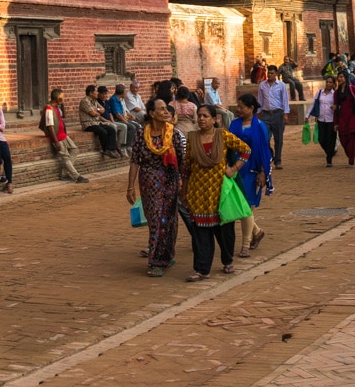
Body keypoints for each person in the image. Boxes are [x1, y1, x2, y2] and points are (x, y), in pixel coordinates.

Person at [180, 104, 251, 282]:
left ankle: (227, 261)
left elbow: (245, 150)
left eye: (205, 116)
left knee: (225, 231)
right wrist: (185, 191)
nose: (202, 119)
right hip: (198, 193)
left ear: (214, 119)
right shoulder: (192, 138)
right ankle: (202, 269)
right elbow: (187, 166)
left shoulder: (223, 135)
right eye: (200, 116)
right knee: (200, 234)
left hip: (220, 193)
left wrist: (234, 168)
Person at [126, 96, 186, 275]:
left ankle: (166, 256)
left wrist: (183, 181)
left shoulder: (173, 133)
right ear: (151, 113)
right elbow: (135, 161)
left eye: (166, 108)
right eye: (161, 109)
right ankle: (155, 261)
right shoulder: (141, 134)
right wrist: (130, 186)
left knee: (169, 220)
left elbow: (182, 161)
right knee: (156, 219)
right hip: (149, 182)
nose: (166, 111)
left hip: (170, 180)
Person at [228, 94, 272, 257]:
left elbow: (263, 151)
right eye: (237, 107)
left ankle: (245, 245)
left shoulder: (260, 126)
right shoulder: (234, 124)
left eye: (241, 107)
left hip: (252, 170)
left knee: (246, 207)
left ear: (251, 108)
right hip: (235, 170)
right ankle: (257, 231)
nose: (238, 110)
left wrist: (262, 172)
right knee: (238, 206)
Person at [41, 88, 90, 183]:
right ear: (57, 98)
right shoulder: (49, 108)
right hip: (56, 136)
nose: (63, 100)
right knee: (65, 157)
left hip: (63, 134)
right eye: (62, 98)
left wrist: (61, 104)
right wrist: (55, 141)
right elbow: (50, 126)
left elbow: (63, 116)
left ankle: (64, 173)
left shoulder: (56, 107)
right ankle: (77, 176)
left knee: (74, 149)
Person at [257, 66, 291, 168]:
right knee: (264, 137)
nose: (270, 75)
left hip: (278, 114)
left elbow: (285, 99)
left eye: (272, 73)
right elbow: (260, 99)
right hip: (266, 115)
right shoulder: (262, 85)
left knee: (278, 139)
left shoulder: (281, 85)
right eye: (269, 73)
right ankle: (270, 154)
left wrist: (285, 114)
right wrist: (258, 113)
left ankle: (278, 161)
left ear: (276, 74)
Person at [78, 84, 121, 156]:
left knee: (111, 129)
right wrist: (97, 112)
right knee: (103, 131)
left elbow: (103, 110)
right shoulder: (84, 101)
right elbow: (93, 114)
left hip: (96, 122)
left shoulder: (95, 101)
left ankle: (112, 149)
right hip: (88, 124)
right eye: (96, 92)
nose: (97, 93)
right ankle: (106, 149)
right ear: (91, 93)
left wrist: (96, 110)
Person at [308, 77, 338, 166]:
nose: (328, 84)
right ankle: (330, 152)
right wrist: (308, 115)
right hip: (321, 119)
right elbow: (314, 103)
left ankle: (329, 159)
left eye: (330, 82)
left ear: (333, 84)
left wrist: (335, 107)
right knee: (321, 139)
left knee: (331, 139)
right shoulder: (320, 92)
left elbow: (339, 105)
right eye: (327, 82)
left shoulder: (335, 94)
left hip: (331, 119)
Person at [334, 71, 355, 167]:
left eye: (342, 77)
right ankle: (350, 154)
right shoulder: (336, 93)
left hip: (353, 116)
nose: (340, 79)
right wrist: (336, 123)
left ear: (346, 78)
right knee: (343, 140)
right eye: (339, 77)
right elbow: (336, 108)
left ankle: (351, 159)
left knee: (353, 137)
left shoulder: (352, 89)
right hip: (342, 118)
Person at [98, 85, 130, 153]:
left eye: (105, 94)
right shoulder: (97, 102)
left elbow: (110, 113)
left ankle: (120, 146)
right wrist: (107, 121)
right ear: (99, 94)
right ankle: (114, 146)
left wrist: (112, 121)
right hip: (102, 122)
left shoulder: (107, 102)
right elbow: (98, 116)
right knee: (114, 126)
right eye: (102, 94)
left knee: (123, 126)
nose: (104, 95)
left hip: (110, 121)